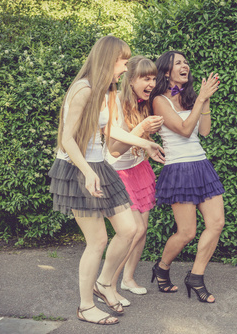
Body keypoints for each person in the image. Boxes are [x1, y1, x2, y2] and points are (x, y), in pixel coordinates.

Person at [48, 36, 164, 325]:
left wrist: (145, 143)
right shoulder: (82, 89)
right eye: (123, 62)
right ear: (109, 60)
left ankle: (104, 283)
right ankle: (86, 306)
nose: (125, 69)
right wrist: (87, 172)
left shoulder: (106, 91)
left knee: (130, 228)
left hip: (99, 165)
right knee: (97, 240)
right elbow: (67, 140)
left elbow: (111, 129)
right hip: (77, 169)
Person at [149, 50, 225, 303]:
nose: (185, 65)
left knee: (216, 223)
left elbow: (203, 131)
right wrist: (201, 98)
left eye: (185, 62)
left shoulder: (191, 97)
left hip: (201, 165)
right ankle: (161, 267)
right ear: (166, 71)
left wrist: (204, 101)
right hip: (178, 169)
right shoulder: (160, 99)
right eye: (178, 63)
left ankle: (196, 276)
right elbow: (183, 130)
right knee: (187, 233)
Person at [102, 55, 164, 306]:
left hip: (140, 170)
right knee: (131, 230)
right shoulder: (114, 102)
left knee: (142, 230)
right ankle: (109, 285)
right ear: (130, 81)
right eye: (145, 78)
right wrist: (142, 130)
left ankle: (128, 278)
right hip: (118, 172)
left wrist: (151, 128)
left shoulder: (144, 103)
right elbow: (114, 150)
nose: (151, 83)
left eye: (153, 78)